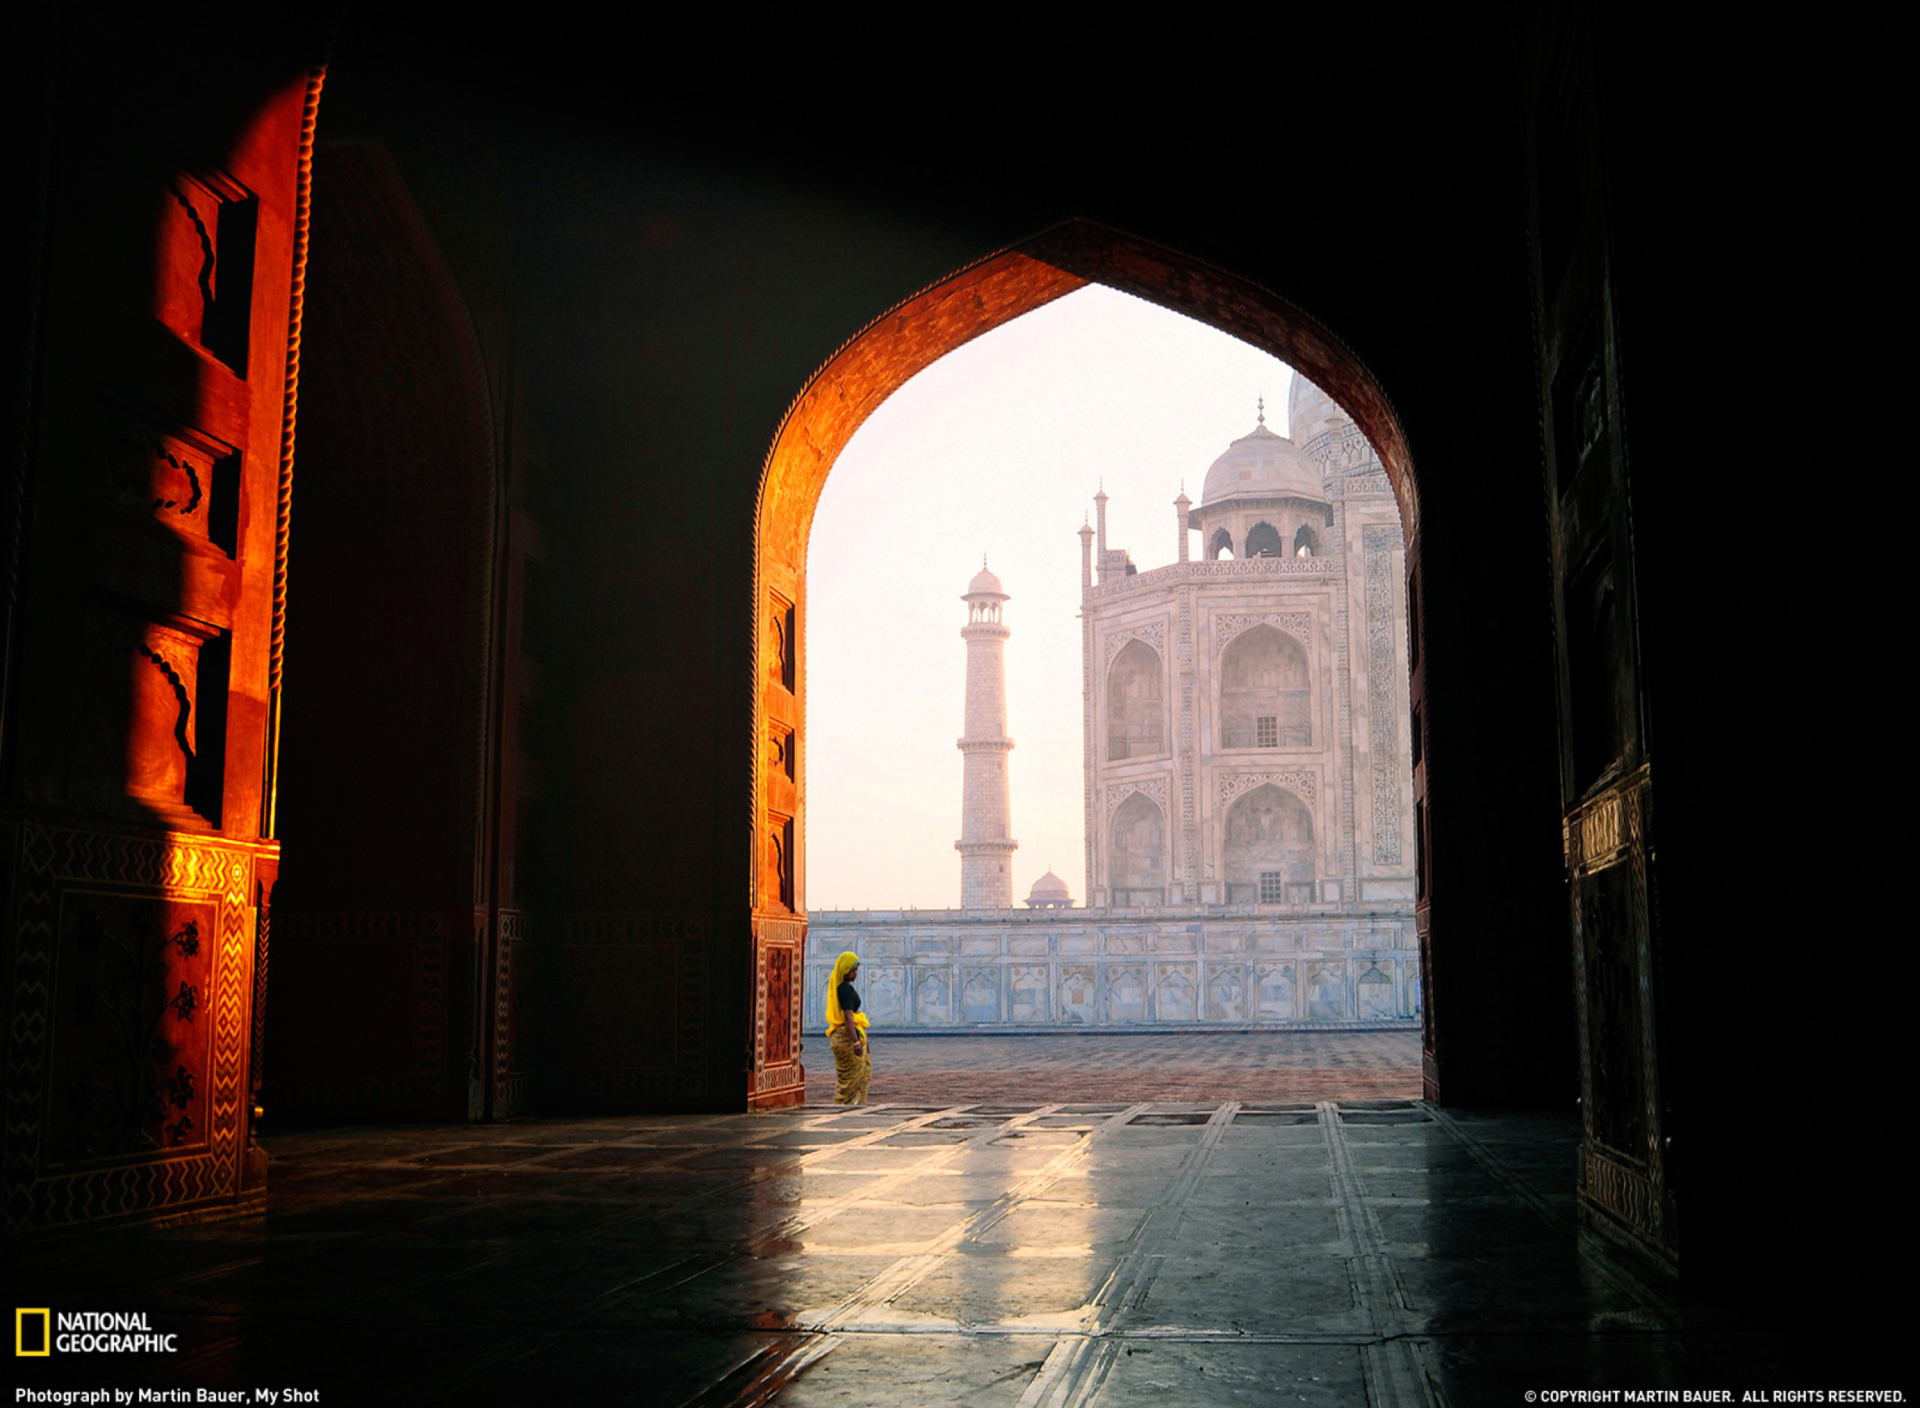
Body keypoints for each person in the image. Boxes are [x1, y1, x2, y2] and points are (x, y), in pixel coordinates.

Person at [824, 950, 870, 1105]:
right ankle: (846, 1107)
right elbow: (848, 1017)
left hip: (839, 1037)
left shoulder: (840, 988)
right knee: (853, 1080)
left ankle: (843, 1106)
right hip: (847, 1038)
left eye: (856, 970)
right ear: (845, 970)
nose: (855, 974)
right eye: (853, 970)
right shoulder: (845, 990)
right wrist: (855, 1042)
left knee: (847, 1080)